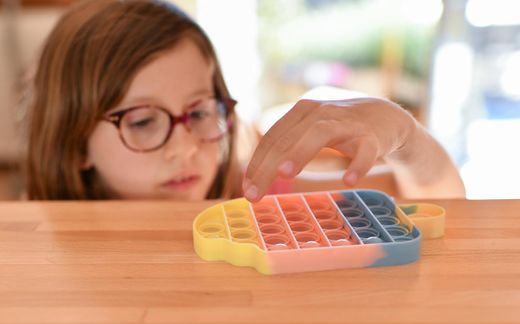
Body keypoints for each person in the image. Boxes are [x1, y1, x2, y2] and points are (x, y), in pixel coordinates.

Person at [24, 0, 465, 201]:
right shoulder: (29, 238)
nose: (187, 147)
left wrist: (404, 132)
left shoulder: (253, 193)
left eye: (199, 111)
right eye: (142, 121)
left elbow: (439, 199)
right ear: (76, 140)